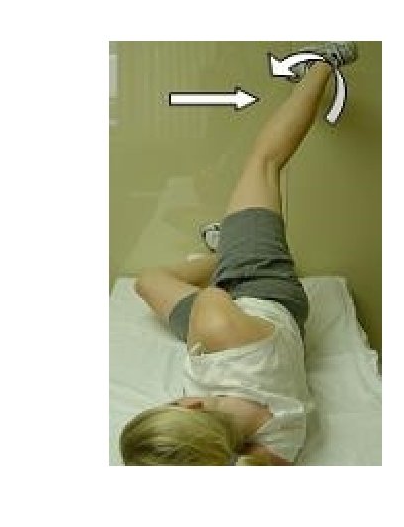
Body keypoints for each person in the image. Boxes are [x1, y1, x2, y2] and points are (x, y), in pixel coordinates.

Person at [119, 42, 359, 466]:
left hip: (240, 341)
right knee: (263, 163)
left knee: (147, 282)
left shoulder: (275, 445)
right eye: (171, 404)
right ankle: (324, 64)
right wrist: (211, 335)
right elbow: (216, 297)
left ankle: (221, 245)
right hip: (258, 292)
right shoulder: (217, 328)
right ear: (190, 406)